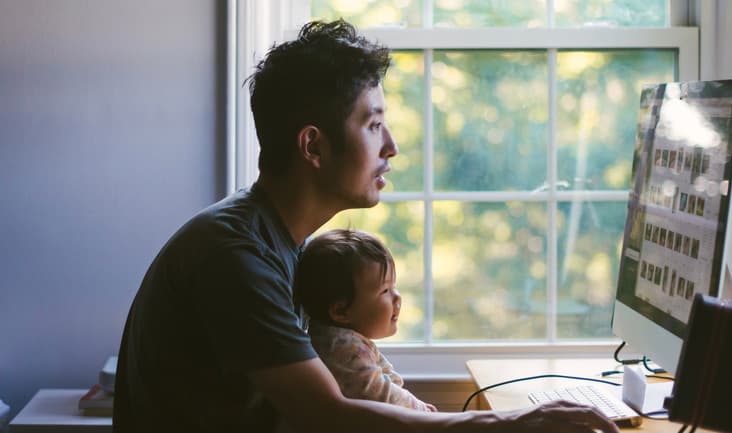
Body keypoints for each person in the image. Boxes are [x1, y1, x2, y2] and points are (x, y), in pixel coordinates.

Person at [113, 19, 619, 433]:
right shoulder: (236, 256)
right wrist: (513, 423)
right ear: (313, 146)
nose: (392, 145)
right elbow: (327, 415)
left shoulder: (279, 241)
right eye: (373, 124)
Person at [294, 229, 435, 412]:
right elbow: (381, 395)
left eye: (394, 286)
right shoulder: (342, 349)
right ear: (340, 311)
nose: (397, 297)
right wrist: (423, 412)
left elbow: (387, 379)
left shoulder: (337, 338)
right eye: (385, 290)